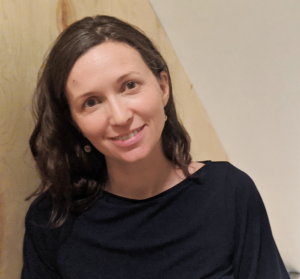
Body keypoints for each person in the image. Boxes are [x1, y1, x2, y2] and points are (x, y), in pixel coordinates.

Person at [22, 15, 289, 279]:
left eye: (130, 86)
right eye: (91, 102)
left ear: (163, 87)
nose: (120, 116)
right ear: (74, 121)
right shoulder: (51, 219)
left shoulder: (229, 192)